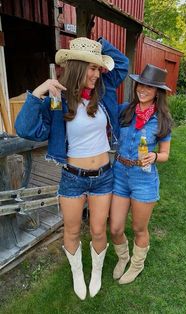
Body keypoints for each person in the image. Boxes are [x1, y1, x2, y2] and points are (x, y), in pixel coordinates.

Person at [15, 37, 129, 299]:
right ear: (77, 67)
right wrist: (41, 89)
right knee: (73, 230)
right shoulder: (57, 100)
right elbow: (25, 129)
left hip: (103, 176)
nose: (97, 74)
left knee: (99, 229)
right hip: (72, 179)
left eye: (98, 68)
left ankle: (96, 273)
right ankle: (78, 273)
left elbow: (121, 63)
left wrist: (98, 44)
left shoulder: (105, 89)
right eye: (91, 68)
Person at [109, 64, 172, 284]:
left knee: (138, 227)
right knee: (115, 227)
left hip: (143, 178)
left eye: (149, 87)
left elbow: (165, 154)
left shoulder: (162, 119)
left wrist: (154, 156)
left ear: (158, 92)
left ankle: (137, 264)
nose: (142, 89)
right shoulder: (125, 110)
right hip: (119, 172)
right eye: (141, 84)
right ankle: (123, 257)